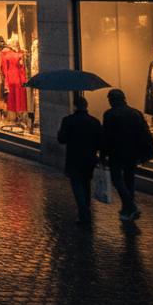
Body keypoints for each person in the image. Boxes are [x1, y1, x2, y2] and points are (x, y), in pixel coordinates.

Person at [101, 88, 153, 222]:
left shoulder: (110, 114)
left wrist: (103, 153)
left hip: (116, 152)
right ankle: (127, 208)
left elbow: (106, 136)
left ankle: (130, 206)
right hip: (132, 152)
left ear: (112, 100)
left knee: (117, 179)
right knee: (129, 179)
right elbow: (144, 132)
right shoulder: (135, 113)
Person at [57, 95, 103, 224]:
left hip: (74, 157)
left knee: (77, 184)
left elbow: (62, 139)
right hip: (89, 158)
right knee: (86, 183)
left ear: (75, 106)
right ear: (86, 106)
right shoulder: (94, 121)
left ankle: (84, 212)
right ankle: (85, 209)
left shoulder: (68, 120)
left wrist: (60, 132)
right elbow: (100, 142)